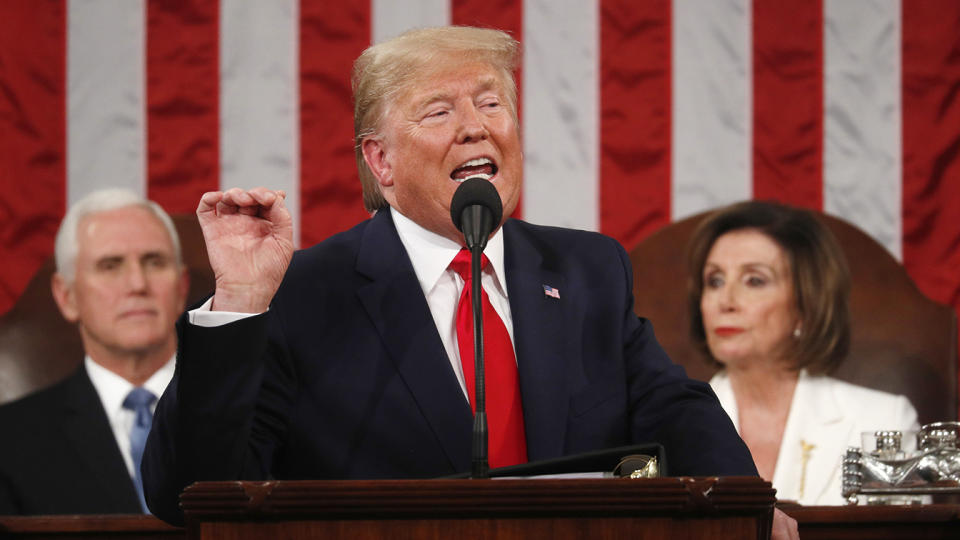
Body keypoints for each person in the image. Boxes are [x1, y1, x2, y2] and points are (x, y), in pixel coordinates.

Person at [143, 27, 795, 538]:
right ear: (381, 160)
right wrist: (240, 303)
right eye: (438, 112)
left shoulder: (586, 270)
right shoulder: (302, 291)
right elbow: (189, 494)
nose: (476, 125)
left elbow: (676, 412)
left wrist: (746, 510)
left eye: (491, 102)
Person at [688, 200, 920, 505]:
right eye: (715, 281)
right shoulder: (669, 426)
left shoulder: (881, 422)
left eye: (754, 280)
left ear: (805, 306)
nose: (726, 301)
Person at [0, 189, 189, 515]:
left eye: (154, 261)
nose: (137, 283)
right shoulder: (9, 441)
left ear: (182, 287)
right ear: (66, 296)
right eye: (110, 265)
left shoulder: (254, 415)